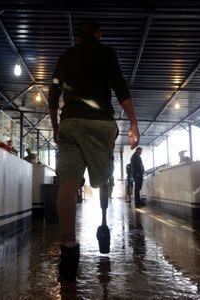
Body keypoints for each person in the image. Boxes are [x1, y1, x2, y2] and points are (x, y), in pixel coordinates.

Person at [48, 20, 139, 280]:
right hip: (101, 124)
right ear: (98, 35)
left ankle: (68, 248)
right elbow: (120, 86)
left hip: (70, 123)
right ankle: (104, 184)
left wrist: (56, 127)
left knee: (68, 183)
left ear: (78, 37)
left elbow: (53, 95)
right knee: (102, 177)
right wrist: (133, 122)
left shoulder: (65, 57)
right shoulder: (107, 52)